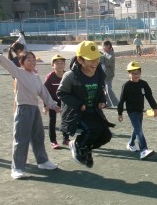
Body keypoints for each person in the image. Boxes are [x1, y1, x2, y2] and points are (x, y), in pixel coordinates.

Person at [0, 47, 60, 180]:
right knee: (21, 139)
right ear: (22, 62)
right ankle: (17, 168)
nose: (32, 62)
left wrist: (53, 105)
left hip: (34, 109)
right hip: (23, 109)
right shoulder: (19, 73)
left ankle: (42, 161)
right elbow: (8, 64)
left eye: (33, 59)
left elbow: (43, 92)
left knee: (38, 137)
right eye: (28, 60)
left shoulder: (36, 77)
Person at [58, 41, 113, 169]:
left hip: (93, 110)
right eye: (91, 59)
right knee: (93, 130)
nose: (95, 62)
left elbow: (101, 90)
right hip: (78, 112)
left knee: (106, 135)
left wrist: (102, 100)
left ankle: (86, 148)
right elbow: (61, 93)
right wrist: (78, 105)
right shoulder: (71, 76)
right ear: (80, 60)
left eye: (97, 58)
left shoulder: (99, 73)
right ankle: (78, 145)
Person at [117, 61, 157, 160]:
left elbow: (149, 97)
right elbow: (121, 100)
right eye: (133, 73)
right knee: (139, 130)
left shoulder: (144, 84)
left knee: (137, 128)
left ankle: (131, 144)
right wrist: (120, 113)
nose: (136, 75)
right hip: (131, 112)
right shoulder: (126, 86)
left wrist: (155, 108)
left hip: (140, 110)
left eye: (138, 73)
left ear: (140, 73)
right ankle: (143, 150)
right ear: (129, 74)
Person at [43, 54, 69, 149]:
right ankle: (53, 141)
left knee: (66, 120)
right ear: (52, 65)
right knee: (52, 121)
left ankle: (66, 139)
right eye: (57, 63)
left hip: (65, 102)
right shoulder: (50, 77)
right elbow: (45, 92)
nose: (60, 65)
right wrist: (46, 105)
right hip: (52, 102)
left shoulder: (67, 75)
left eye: (62, 63)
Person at [100, 40, 119, 107]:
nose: (102, 48)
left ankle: (117, 103)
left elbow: (109, 62)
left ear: (108, 46)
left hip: (109, 75)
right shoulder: (104, 53)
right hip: (104, 75)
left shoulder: (111, 54)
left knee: (109, 90)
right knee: (104, 90)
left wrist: (101, 56)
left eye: (103, 46)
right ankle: (108, 103)